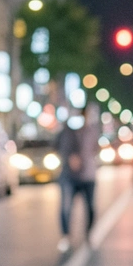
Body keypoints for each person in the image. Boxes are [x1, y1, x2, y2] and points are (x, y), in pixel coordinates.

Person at [55, 103, 99, 252]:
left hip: (88, 176)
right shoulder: (65, 132)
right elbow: (56, 146)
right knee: (66, 207)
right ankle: (66, 236)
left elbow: (95, 149)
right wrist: (69, 157)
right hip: (68, 176)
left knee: (90, 208)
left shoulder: (91, 132)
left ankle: (88, 235)